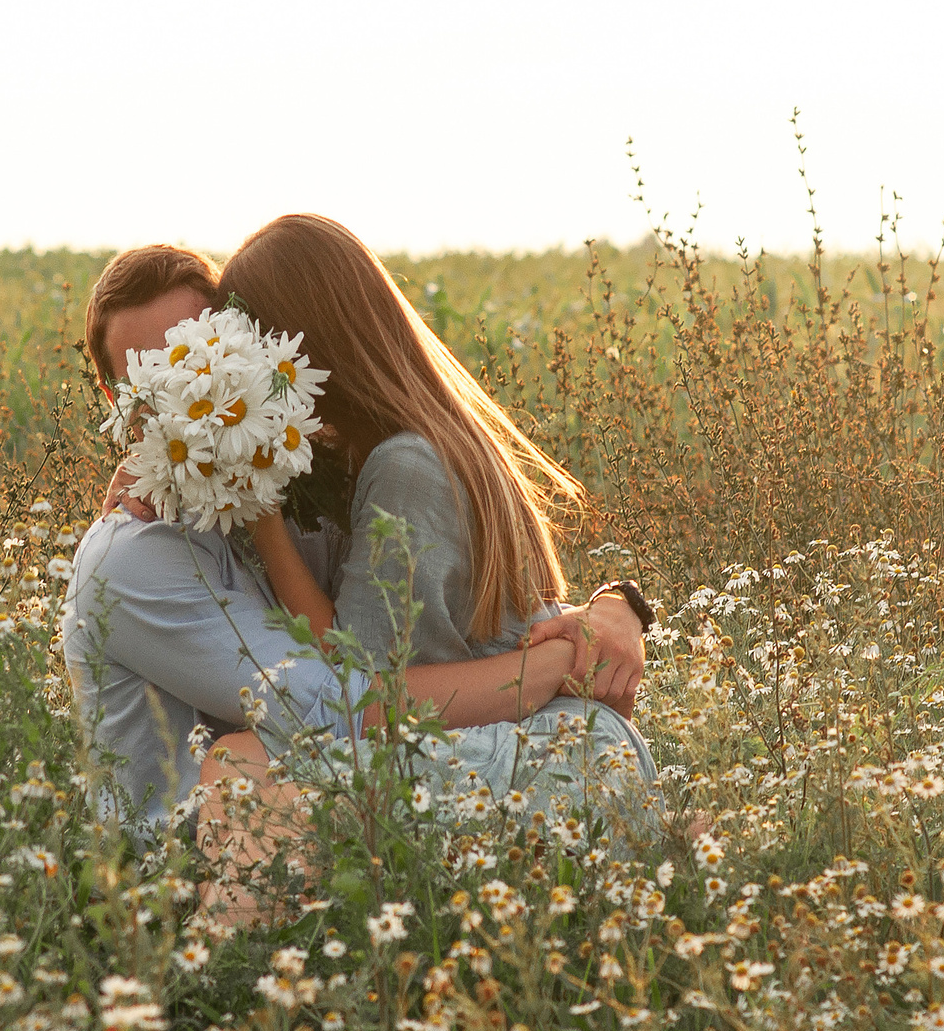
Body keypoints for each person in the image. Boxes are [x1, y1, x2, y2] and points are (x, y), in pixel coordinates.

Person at [59, 241, 653, 848]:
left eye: (198, 359)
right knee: (241, 765)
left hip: (361, 810)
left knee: (245, 763)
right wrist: (550, 665)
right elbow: (337, 704)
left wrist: (616, 607)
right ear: (119, 402)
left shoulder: (317, 497)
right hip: (196, 861)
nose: (190, 396)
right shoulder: (132, 558)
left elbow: (485, 612)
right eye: (155, 382)